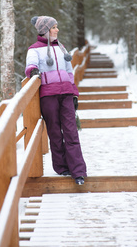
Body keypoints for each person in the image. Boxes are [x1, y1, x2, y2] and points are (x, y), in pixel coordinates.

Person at [25, 15, 87, 185]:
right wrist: (33, 72)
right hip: (48, 95)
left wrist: (74, 94)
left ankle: (78, 171)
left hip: (66, 94)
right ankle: (61, 167)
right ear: (45, 30)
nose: (57, 30)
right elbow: (31, 65)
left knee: (71, 131)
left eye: (57, 27)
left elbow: (69, 72)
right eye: (54, 27)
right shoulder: (34, 49)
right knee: (54, 132)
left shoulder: (61, 48)